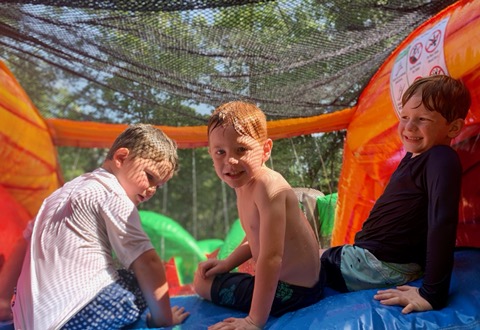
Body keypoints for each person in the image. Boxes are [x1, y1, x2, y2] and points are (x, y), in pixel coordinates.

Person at [10, 124, 189, 329]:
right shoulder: (112, 194)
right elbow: (148, 263)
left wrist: (4, 302)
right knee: (136, 280)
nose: (151, 190)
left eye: (158, 185)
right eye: (149, 177)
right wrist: (164, 320)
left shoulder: (59, 195)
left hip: (28, 322)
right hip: (76, 318)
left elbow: (23, 242)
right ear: (121, 158)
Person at [321, 74, 471, 314]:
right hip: (372, 257)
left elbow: (442, 223)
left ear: (453, 127)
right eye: (404, 117)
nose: (409, 127)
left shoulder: (441, 158)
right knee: (311, 253)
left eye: (422, 119)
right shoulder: (415, 156)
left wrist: (432, 293)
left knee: (289, 258)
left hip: (379, 264)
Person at [193, 101, 322, 329]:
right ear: (211, 153)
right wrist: (226, 263)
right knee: (205, 276)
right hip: (297, 285)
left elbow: (271, 258)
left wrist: (254, 321)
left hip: (294, 292)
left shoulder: (267, 186)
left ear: (265, 149)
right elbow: (255, 238)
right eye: (220, 152)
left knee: (202, 284)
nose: (230, 161)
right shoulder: (243, 185)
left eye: (241, 150)